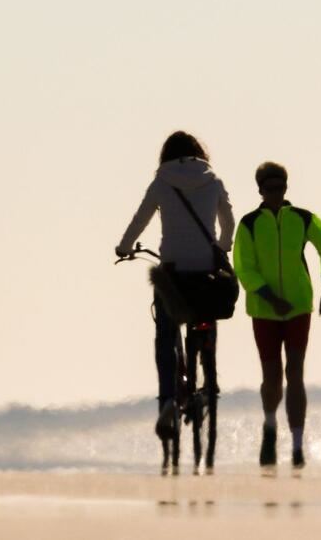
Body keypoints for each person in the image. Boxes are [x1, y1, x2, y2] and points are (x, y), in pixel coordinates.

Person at [115, 131, 235, 424]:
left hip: (172, 272)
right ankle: (209, 382)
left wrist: (125, 247)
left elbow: (140, 219)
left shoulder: (161, 182)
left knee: (166, 336)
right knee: (206, 316)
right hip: (206, 270)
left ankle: (168, 399)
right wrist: (222, 247)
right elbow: (229, 222)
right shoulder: (213, 181)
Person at [233, 162, 321, 469]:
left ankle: (297, 444)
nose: (276, 194)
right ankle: (269, 426)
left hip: (297, 306)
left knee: (295, 372)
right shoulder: (249, 224)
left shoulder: (302, 218)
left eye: (281, 188)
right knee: (272, 377)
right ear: (260, 191)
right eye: (270, 189)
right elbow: (243, 266)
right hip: (264, 309)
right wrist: (268, 296)